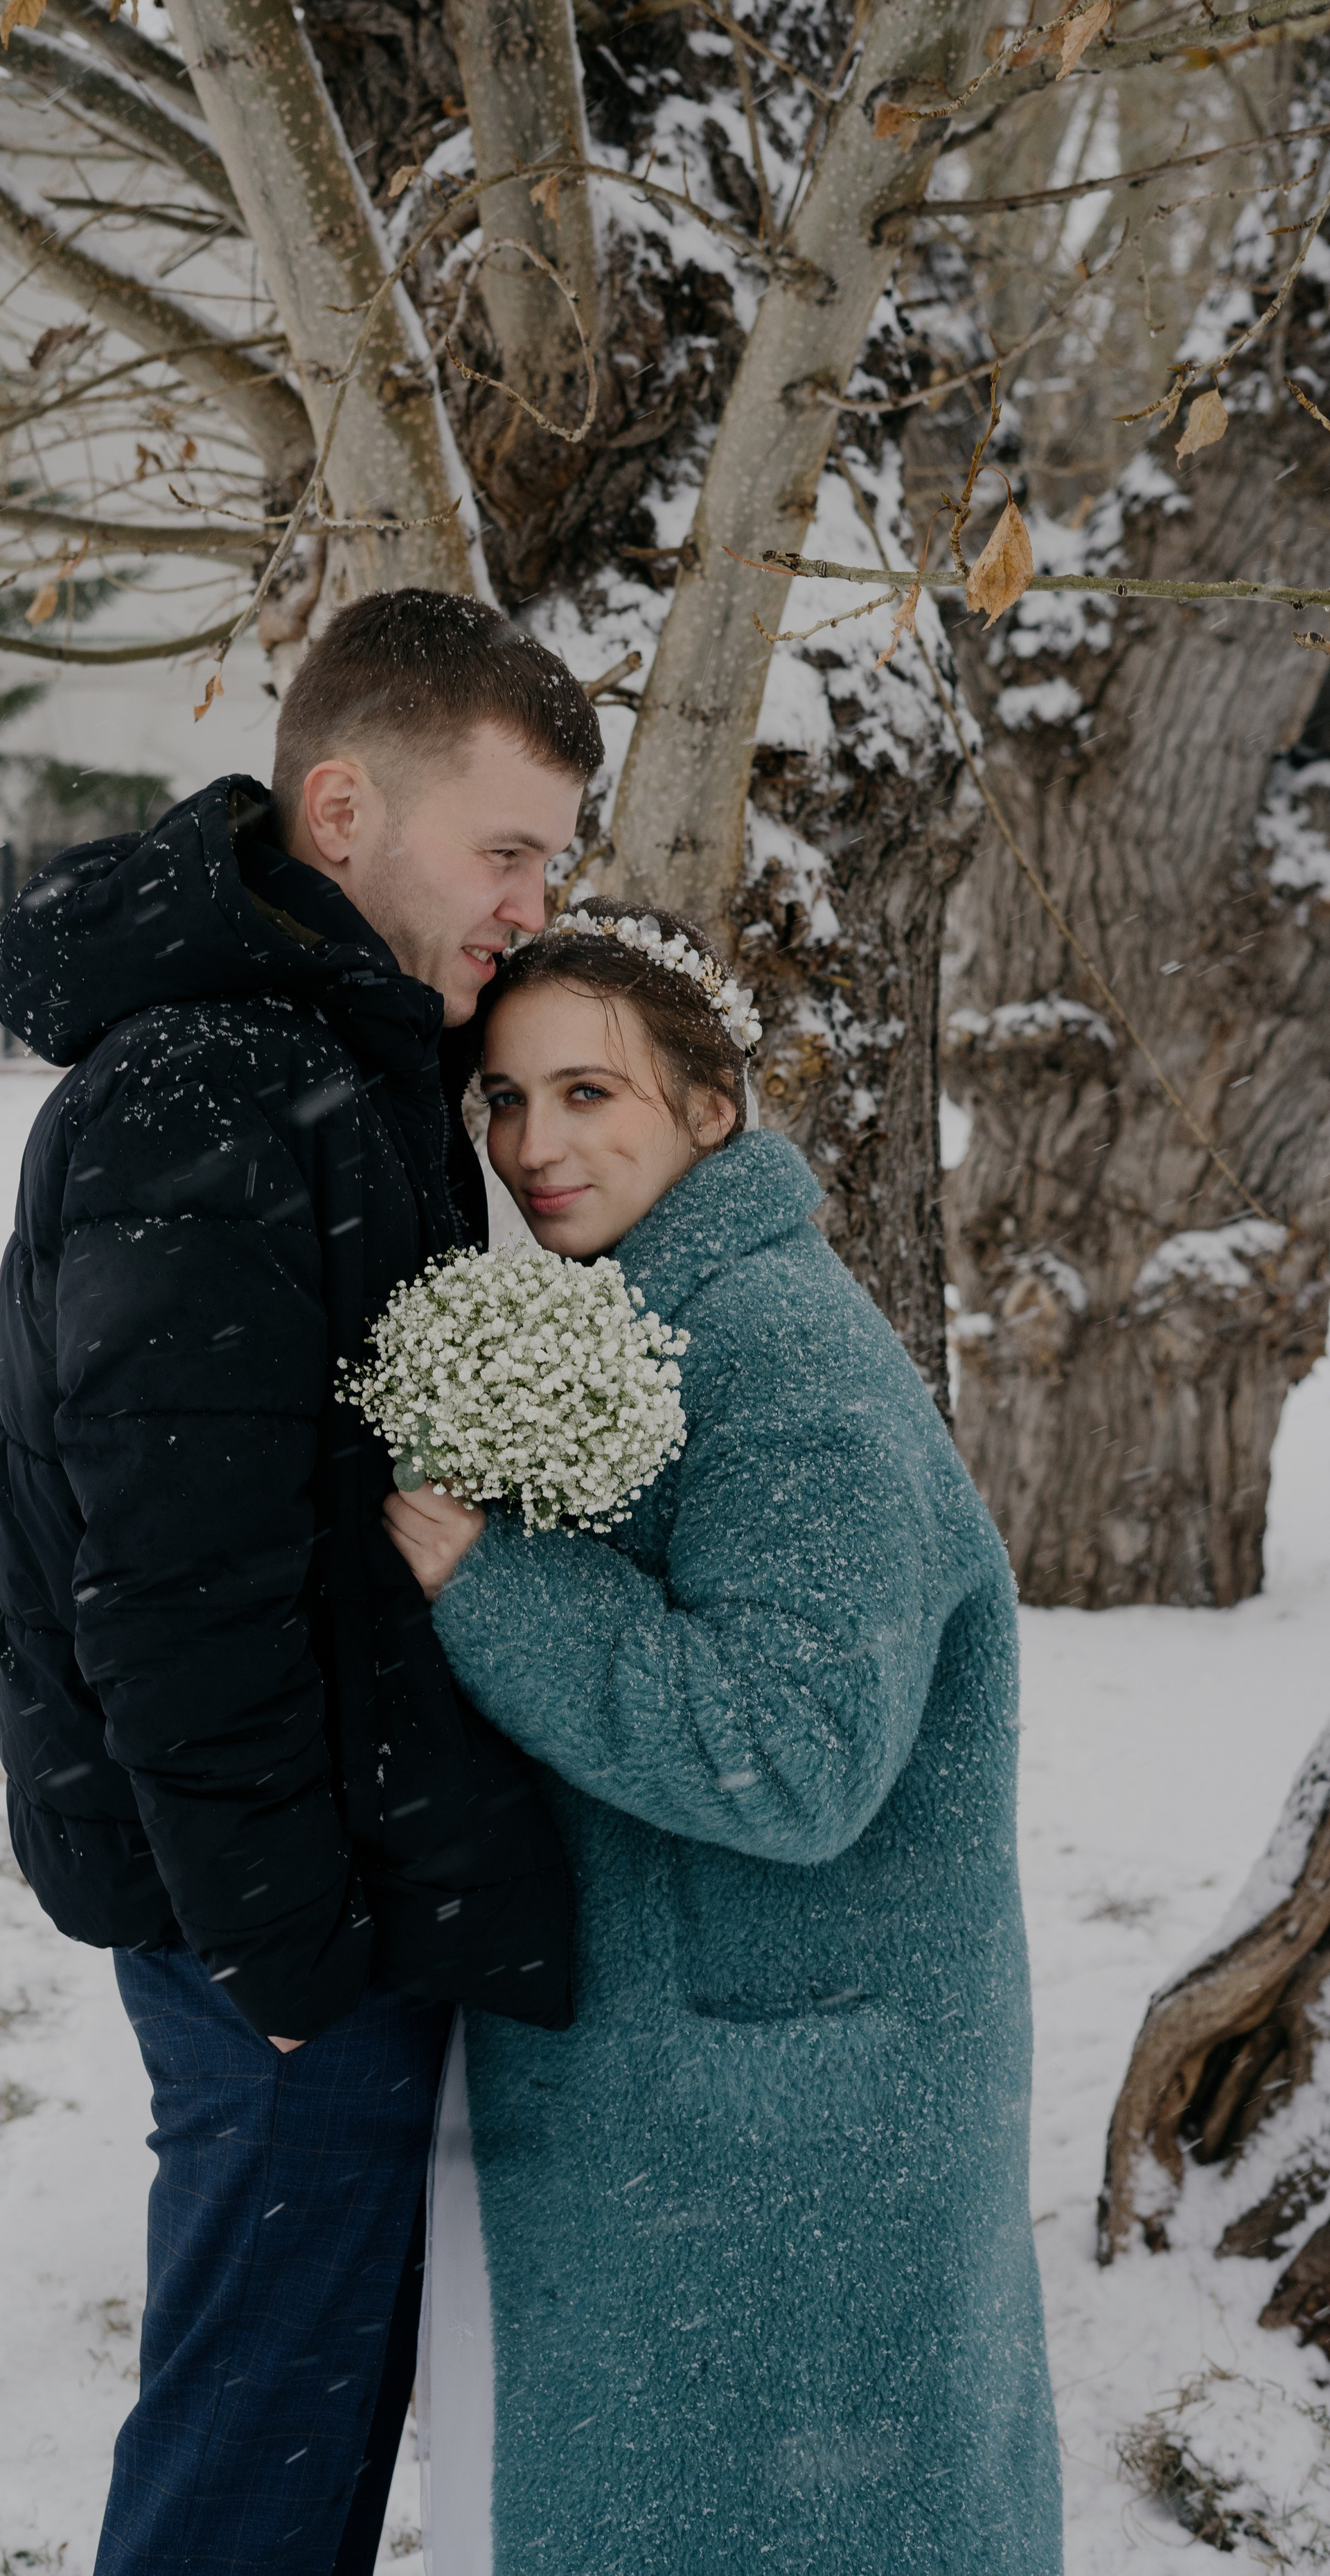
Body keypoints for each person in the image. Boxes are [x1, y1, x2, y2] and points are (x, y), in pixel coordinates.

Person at [0, 592, 596, 2575]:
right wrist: (288, 1968)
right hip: (268, 1913)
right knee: (259, 2449)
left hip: (324, 1870)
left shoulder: (349, 1048)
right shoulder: (216, 1097)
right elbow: (173, 1579)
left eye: (550, 863)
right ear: (345, 808)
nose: (529, 903)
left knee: (303, 2424)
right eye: (506, 852)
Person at [385, 902, 1064, 2576]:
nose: (535, 1144)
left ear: (710, 1106)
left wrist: (496, 1580)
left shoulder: (777, 1358)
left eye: (587, 1094)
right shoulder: (659, 1317)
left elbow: (800, 1750)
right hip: (736, 2081)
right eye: (505, 1100)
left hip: (796, 2109)